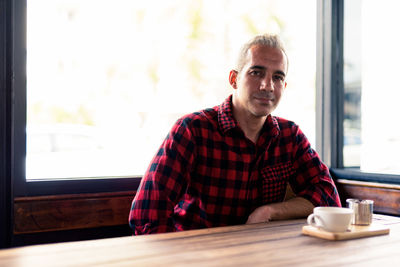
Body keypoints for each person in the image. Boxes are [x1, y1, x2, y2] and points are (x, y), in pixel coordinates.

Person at [129, 34, 341, 235]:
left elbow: (328, 197)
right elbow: (147, 214)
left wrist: (269, 211)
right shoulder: (192, 130)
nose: (267, 85)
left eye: (277, 77)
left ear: (284, 87)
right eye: (256, 72)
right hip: (197, 255)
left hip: (261, 256)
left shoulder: (290, 137)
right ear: (234, 79)